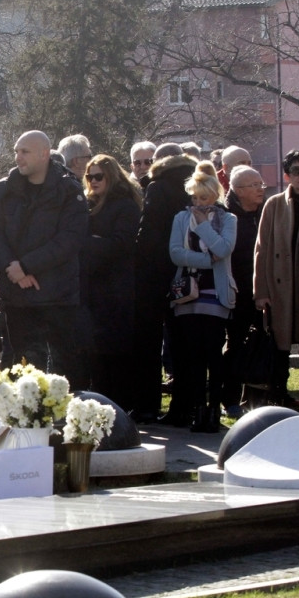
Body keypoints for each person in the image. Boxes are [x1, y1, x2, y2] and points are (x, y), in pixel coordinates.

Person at [0, 130, 88, 387]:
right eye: (16, 151)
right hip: (17, 297)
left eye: (25, 151)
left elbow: (69, 240)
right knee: (22, 371)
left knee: (61, 371)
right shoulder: (7, 190)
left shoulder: (68, 190)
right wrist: (12, 268)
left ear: (44, 154)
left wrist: (26, 266)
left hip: (56, 296)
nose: (18, 157)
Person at [254, 150, 299, 415]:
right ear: (287, 175)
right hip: (280, 287)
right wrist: (260, 291)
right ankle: (277, 401)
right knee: (278, 348)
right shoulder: (274, 204)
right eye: (296, 170)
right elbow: (261, 249)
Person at [168, 163, 237, 433]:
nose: (197, 203)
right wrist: (208, 258)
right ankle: (197, 410)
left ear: (215, 196)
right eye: (194, 198)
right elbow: (175, 254)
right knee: (193, 355)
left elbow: (224, 248)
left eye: (204, 198)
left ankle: (213, 410)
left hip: (216, 295)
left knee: (213, 353)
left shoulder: (228, 219)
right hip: (187, 294)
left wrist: (203, 226)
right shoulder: (180, 218)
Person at [132, 145, 196, 425]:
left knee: (149, 341)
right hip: (190, 272)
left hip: (155, 274)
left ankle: (147, 405)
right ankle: (185, 406)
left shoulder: (157, 187)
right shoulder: (197, 183)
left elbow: (150, 231)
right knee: (184, 343)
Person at [80, 155, 142, 410]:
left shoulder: (125, 205)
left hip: (116, 287)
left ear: (111, 177)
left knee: (115, 350)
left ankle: (120, 404)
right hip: (91, 286)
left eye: (98, 176)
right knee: (95, 351)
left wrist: (88, 241)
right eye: (89, 176)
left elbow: (123, 243)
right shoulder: (87, 205)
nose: (93, 181)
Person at [222, 165, 266, 416]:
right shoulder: (226, 216)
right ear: (238, 190)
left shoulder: (266, 211)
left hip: (262, 291)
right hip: (235, 292)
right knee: (235, 345)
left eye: (261, 184)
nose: (261, 189)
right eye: (254, 185)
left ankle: (258, 399)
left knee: (261, 345)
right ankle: (229, 399)